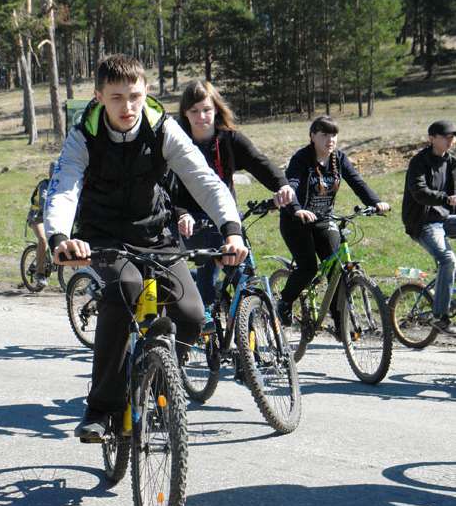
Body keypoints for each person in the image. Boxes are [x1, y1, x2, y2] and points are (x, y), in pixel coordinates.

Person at [44, 54, 248, 441]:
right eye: (117, 97)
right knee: (126, 290)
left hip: (155, 234)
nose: (128, 107)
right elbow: (64, 187)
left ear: (146, 92)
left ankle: (159, 373)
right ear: (99, 96)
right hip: (102, 238)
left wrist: (231, 230)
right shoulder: (84, 134)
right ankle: (101, 408)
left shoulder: (162, 129)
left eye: (135, 96)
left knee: (191, 315)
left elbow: (203, 179)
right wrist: (60, 237)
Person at [169, 80, 294, 328]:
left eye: (206, 109)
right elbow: (169, 187)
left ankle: (251, 333)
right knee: (205, 268)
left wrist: (282, 185)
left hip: (224, 217)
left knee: (242, 273)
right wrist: (182, 214)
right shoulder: (176, 143)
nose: (201, 117)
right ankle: (206, 323)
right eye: (194, 111)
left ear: (216, 109)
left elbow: (259, 163)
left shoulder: (229, 140)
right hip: (190, 219)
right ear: (185, 113)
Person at [276, 115, 390, 335]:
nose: (330, 139)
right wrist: (297, 209)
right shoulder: (301, 158)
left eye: (334, 134)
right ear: (312, 136)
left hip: (323, 219)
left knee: (338, 271)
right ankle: (285, 302)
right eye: (325, 134)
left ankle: (340, 325)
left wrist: (375, 202)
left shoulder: (339, 158)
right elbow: (292, 184)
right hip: (296, 221)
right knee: (308, 268)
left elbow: (357, 182)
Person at [402, 120, 456, 334]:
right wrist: (447, 199)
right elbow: (419, 192)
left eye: (452, 136)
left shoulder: (451, 161)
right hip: (423, 222)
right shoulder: (419, 162)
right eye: (446, 136)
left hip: (445, 218)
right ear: (431, 138)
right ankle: (440, 316)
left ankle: (449, 292)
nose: (450, 140)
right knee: (447, 259)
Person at [26, 163, 56, 291]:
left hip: (52, 218)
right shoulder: (44, 184)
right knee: (43, 239)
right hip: (37, 217)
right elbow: (44, 201)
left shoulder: (63, 186)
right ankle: (39, 273)